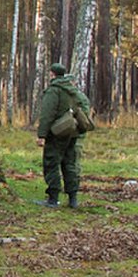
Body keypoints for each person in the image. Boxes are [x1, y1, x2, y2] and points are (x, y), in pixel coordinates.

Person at [34, 62, 89, 208]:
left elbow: (47, 114)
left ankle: (53, 198)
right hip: (72, 132)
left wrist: (42, 135)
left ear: (52, 74)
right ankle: (73, 199)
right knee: (70, 164)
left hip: (57, 133)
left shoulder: (54, 91)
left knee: (51, 163)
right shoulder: (73, 90)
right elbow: (83, 107)